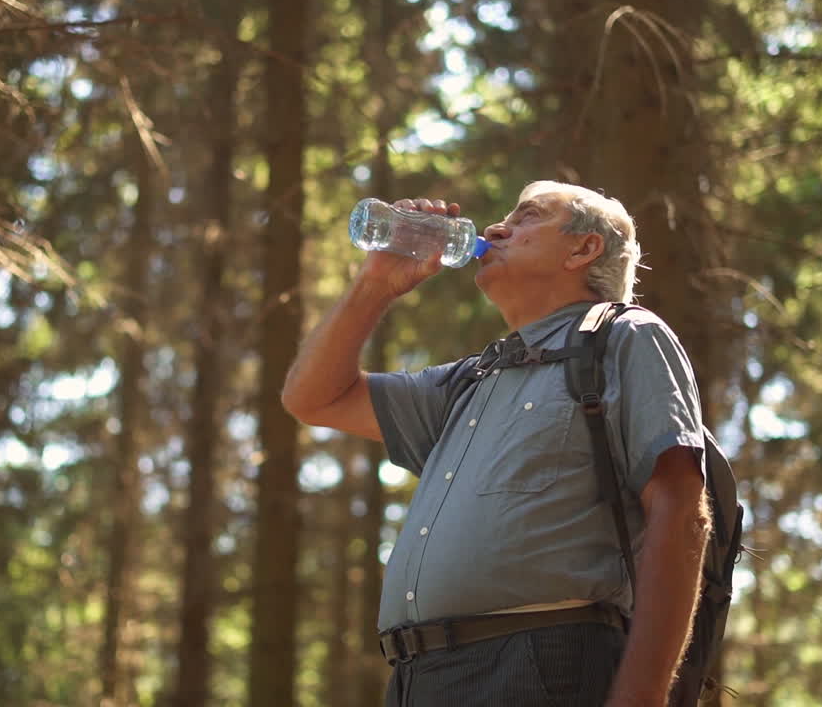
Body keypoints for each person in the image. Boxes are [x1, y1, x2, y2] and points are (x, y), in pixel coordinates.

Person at [281, 181, 712, 706]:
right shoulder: (473, 380)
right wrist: (377, 282)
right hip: (417, 678)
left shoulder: (626, 336)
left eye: (528, 216)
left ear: (584, 248)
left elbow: (681, 509)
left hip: (540, 665)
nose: (495, 228)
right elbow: (313, 399)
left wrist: (639, 699)